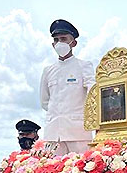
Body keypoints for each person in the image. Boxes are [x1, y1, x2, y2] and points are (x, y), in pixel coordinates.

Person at [39, 19, 95, 155]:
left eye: (63, 39)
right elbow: (44, 101)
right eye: (56, 40)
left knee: (81, 172)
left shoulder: (84, 66)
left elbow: (93, 95)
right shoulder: (48, 70)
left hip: (78, 133)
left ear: (73, 43)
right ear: (53, 44)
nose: (59, 43)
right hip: (53, 134)